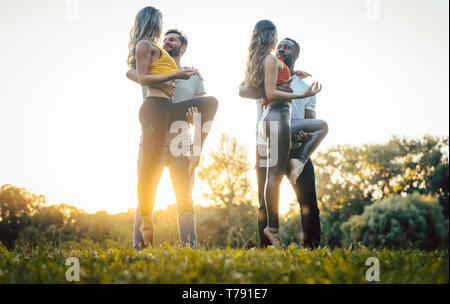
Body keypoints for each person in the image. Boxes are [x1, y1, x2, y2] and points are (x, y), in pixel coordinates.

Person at [127, 6, 218, 247]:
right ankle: (140, 247)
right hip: (153, 131)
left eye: (173, 39)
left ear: (182, 47)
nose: (167, 41)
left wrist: (195, 143)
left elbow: (201, 112)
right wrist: (171, 77)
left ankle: (190, 247)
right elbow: (134, 72)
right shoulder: (151, 61)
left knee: (185, 201)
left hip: (181, 144)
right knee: (146, 194)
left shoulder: (193, 76)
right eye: (165, 37)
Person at [242, 20, 326, 247]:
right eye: (279, 45)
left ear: (296, 54)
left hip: (297, 147)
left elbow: (310, 122)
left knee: (308, 202)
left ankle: (312, 247)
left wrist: (303, 137)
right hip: (266, 144)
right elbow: (243, 89)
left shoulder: (305, 87)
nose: (281, 48)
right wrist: (275, 85)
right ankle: (266, 248)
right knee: (263, 202)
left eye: (286, 47)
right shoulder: (264, 73)